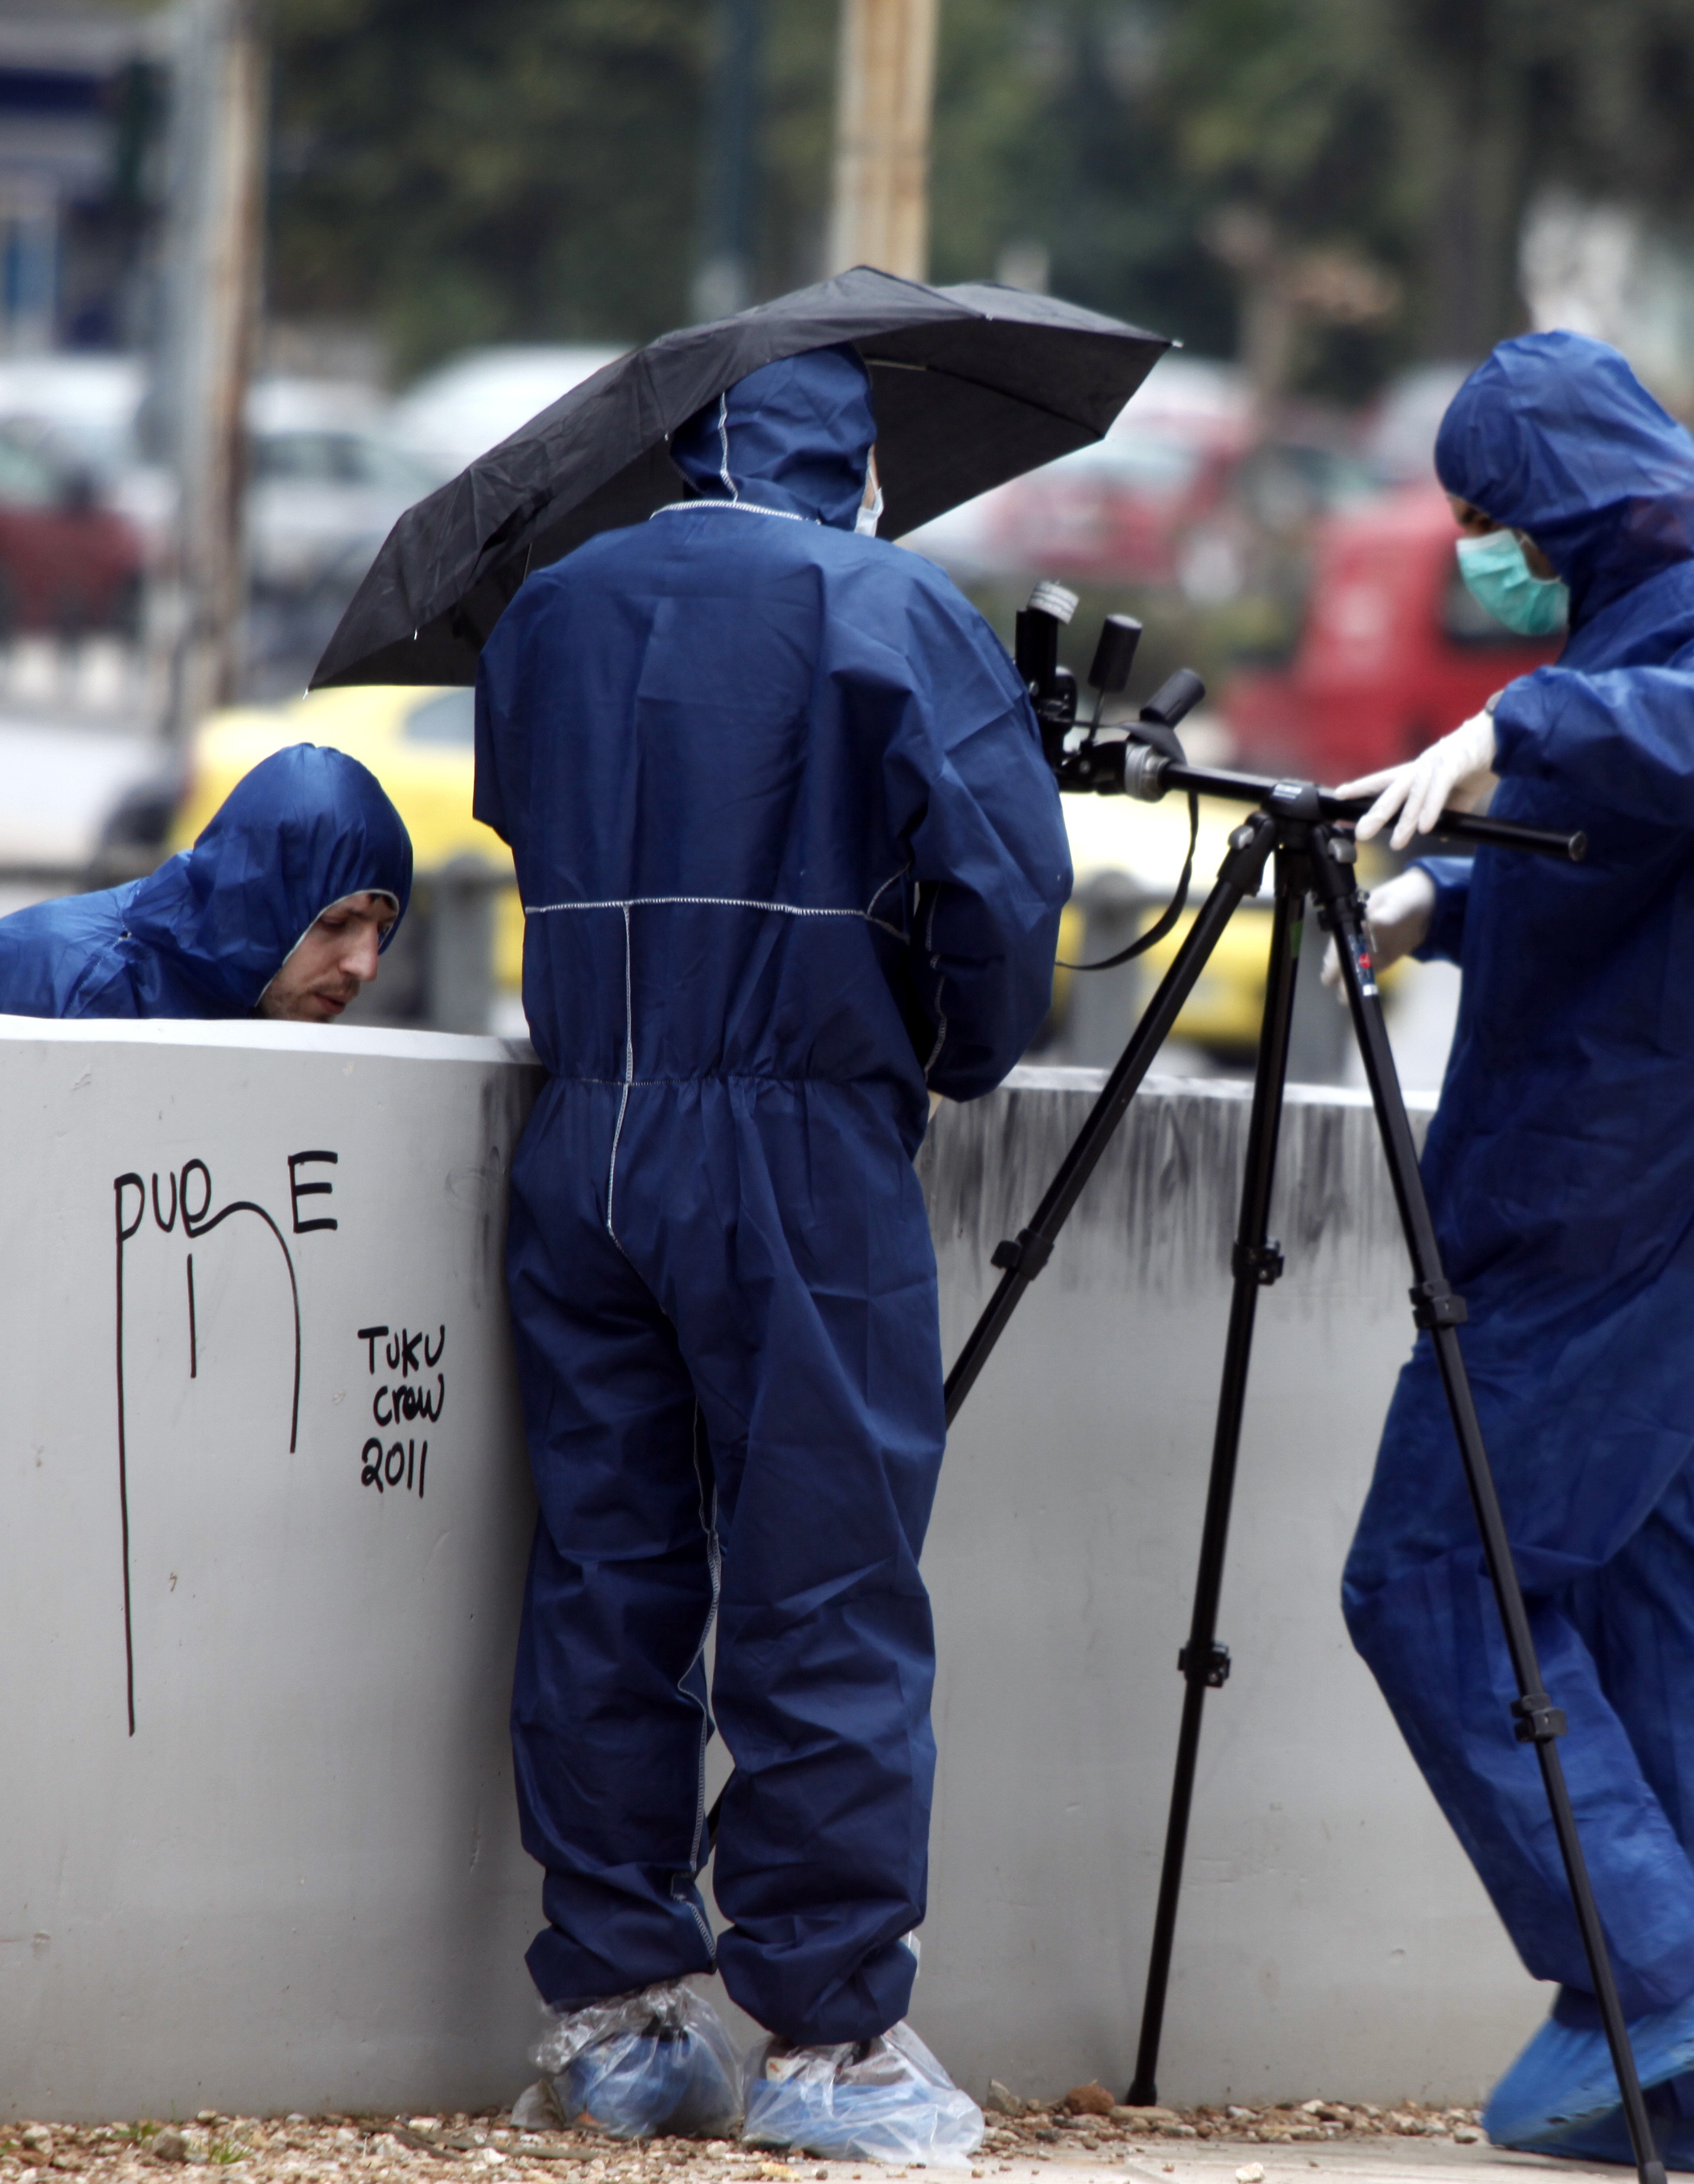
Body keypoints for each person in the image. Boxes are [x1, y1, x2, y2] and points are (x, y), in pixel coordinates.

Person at [474, 346, 1070, 2154]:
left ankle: (618, 2020)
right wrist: (959, 1049)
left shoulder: (554, 610)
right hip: (794, 1139)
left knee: (606, 1570)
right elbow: (1003, 891)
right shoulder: (885, 601)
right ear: (856, 461)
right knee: (822, 1585)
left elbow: (519, 826)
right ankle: (825, 2045)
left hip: (584, 1129)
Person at [1330, 331, 1694, 2180]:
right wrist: (1438, 891)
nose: (1482, 548)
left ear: (1562, 494)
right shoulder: (1654, 620)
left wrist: (1505, 728)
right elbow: (1637, 856)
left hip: (1621, 1199)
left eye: (1492, 515)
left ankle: (1655, 1983)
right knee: (1663, 1615)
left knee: (1432, 1578)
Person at [0, 744, 409, 1021]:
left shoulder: (256, 1007)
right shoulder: (85, 996)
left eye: (381, 929)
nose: (366, 966)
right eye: (337, 922)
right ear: (257, 910)